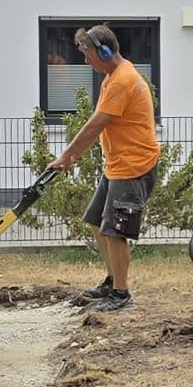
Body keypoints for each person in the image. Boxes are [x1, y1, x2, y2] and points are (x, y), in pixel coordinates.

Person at [52, 25, 158, 310]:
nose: (86, 62)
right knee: (98, 222)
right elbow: (102, 124)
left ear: (105, 51)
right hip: (117, 165)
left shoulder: (123, 80)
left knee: (116, 230)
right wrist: (74, 155)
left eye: (88, 55)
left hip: (133, 167)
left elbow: (97, 123)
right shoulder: (111, 78)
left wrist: (66, 156)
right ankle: (113, 281)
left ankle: (121, 295)